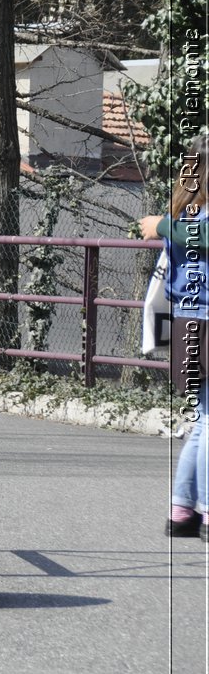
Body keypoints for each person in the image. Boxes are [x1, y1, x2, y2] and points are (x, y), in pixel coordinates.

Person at [141, 134, 207, 541]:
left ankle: (183, 510)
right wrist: (164, 225)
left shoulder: (183, 213)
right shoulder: (190, 220)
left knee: (202, 420)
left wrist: (162, 225)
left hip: (186, 323)